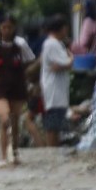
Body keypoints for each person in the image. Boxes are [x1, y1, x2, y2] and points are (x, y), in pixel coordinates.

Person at [0, 14, 36, 167]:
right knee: (4, 118)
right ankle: (3, 155)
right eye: (4, 27)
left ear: (14, 28)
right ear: (0, 28)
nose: (6, 30)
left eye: (9, 27)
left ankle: (14, 151)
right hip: (0, 86)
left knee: (14, 121)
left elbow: (29, 61)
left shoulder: (21, 44)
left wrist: (28, 79)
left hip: (17, 86)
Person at [41, 15, 75, 147]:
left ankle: (54, 147)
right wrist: (71, 58)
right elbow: (63, 64)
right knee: (53, 124)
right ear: (61, 29)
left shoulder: (56, 44)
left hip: (57, 89)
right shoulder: (52, 44)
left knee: (56, 121)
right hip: (54, 90)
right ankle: (52, 148)